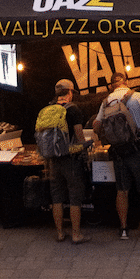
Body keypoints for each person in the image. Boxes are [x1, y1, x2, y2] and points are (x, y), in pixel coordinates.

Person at [92, 73, 140, 240]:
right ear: (126, 82)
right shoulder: (137, 97)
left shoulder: (106, 101)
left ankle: (124, 229)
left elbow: (96, 125)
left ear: (112, 85)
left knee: (122, 190)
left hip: (118, 151)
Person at [45, 79, 90, 244]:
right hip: (71, 159)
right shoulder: (73, 110)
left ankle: (59, 233)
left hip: (53, 159)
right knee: (74, 196)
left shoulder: (48, 108)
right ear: (70, 92)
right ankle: (76, 234)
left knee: (56, 197)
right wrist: (85, 150)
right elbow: (79, 135)